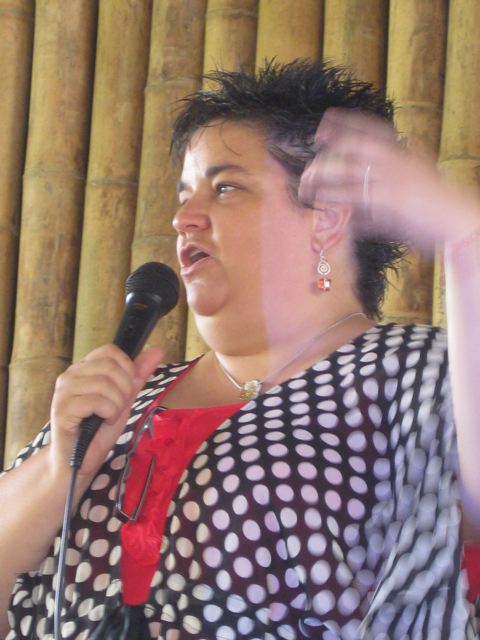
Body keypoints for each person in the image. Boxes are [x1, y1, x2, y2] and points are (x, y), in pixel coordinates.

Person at [1, 60, 479, 639]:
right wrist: (60, 469)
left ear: (326, 218)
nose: (183, 219)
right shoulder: (121, 395)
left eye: (225, 187)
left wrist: (463, 232)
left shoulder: (416, 370)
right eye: (183, 195)